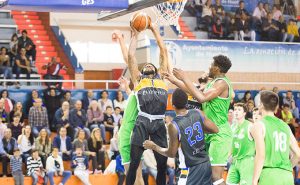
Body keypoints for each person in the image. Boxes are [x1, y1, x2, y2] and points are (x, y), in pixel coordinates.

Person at [165, 55, 232, 185]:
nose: (209, 67)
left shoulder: (222, 83)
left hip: (219, 133)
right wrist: (175, 81)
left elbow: (201, 98)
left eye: (211, 64)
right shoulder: (213, 82)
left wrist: (184, 77)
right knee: (206, 174)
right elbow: (194, 91)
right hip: (208, 132)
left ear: (217, 68)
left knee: (215, 176)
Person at [126, 22, 172, 185]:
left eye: (150, 64)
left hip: (159, 123)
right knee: (134, 163)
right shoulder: (138, 80)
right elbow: (131, 57)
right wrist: (135, 35)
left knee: (162, 165)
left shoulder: (163, 80)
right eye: (145, 64)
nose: (148, 64)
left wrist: (153, 29)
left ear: (156, 70)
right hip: (142, 122)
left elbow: (163, 51)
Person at [143, 88, 219, 184]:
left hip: (189, 169)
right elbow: (215, 129)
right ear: (187, 102)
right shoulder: (198, 113)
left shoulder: (173, 125)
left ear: (172, 105)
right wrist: (197, 130)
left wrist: (154, 146)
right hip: (205, 164)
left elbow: (171, 153)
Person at [252, 91, 300, 185]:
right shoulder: (285, 125)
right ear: (276, 107)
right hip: (287, 176)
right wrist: (288, 167)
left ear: (261, 105)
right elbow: (298, 154)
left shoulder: (259, 125)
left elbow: (261, 155)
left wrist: (254, 180)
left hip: (270, 175)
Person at [226, 103, 255, 185]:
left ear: (244, 113)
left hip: (247, 161)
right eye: (235, 110)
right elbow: (231, 145)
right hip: (235, 161)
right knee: (229, 183)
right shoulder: (232, 127)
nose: (236, 112)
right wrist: (226, 157)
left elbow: (259, 143)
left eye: (239, 110)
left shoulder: (250, 126)